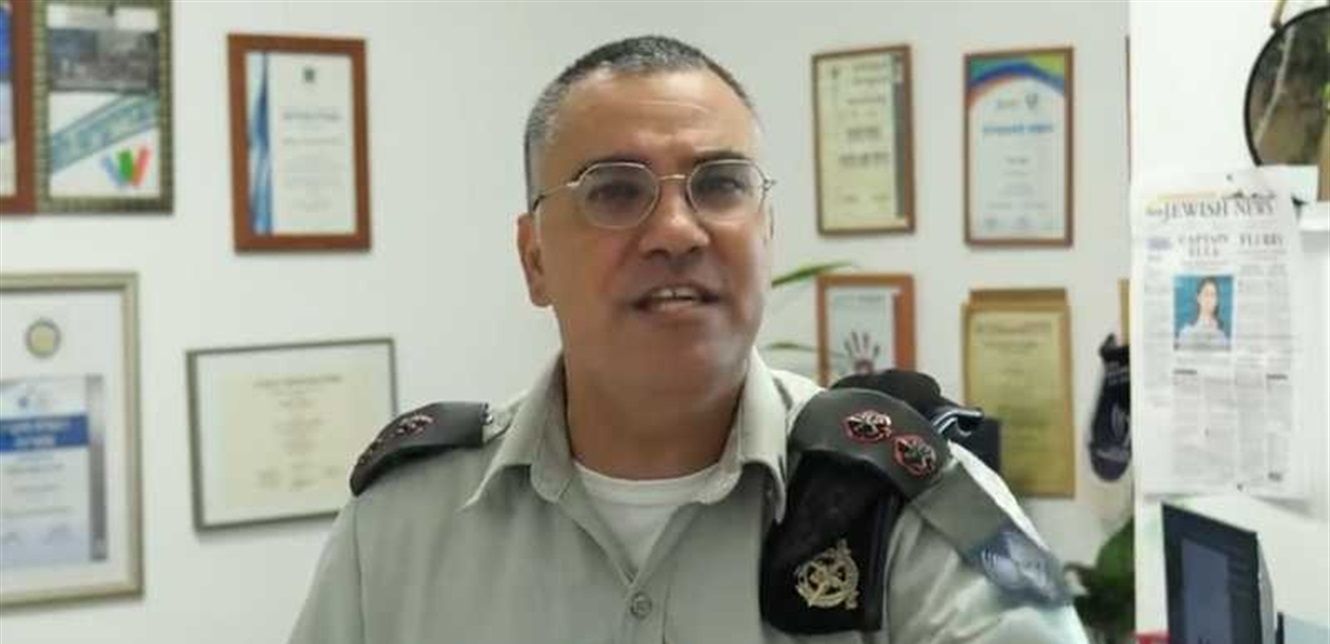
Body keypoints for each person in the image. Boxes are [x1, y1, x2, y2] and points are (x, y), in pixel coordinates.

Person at [288, 35, 1088, 643]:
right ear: (534, 260)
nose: (677, 230)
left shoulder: (914, 512)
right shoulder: (401, 524)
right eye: (614, 191)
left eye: (720, 184)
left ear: (766, 231)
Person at [1176, 276, 1230, 352]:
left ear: (1217, 301)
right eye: (1206, 294)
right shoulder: (1185, 333)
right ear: (1198, 298)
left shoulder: (1222, 338)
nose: (1209, 299)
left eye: (1213, 295)